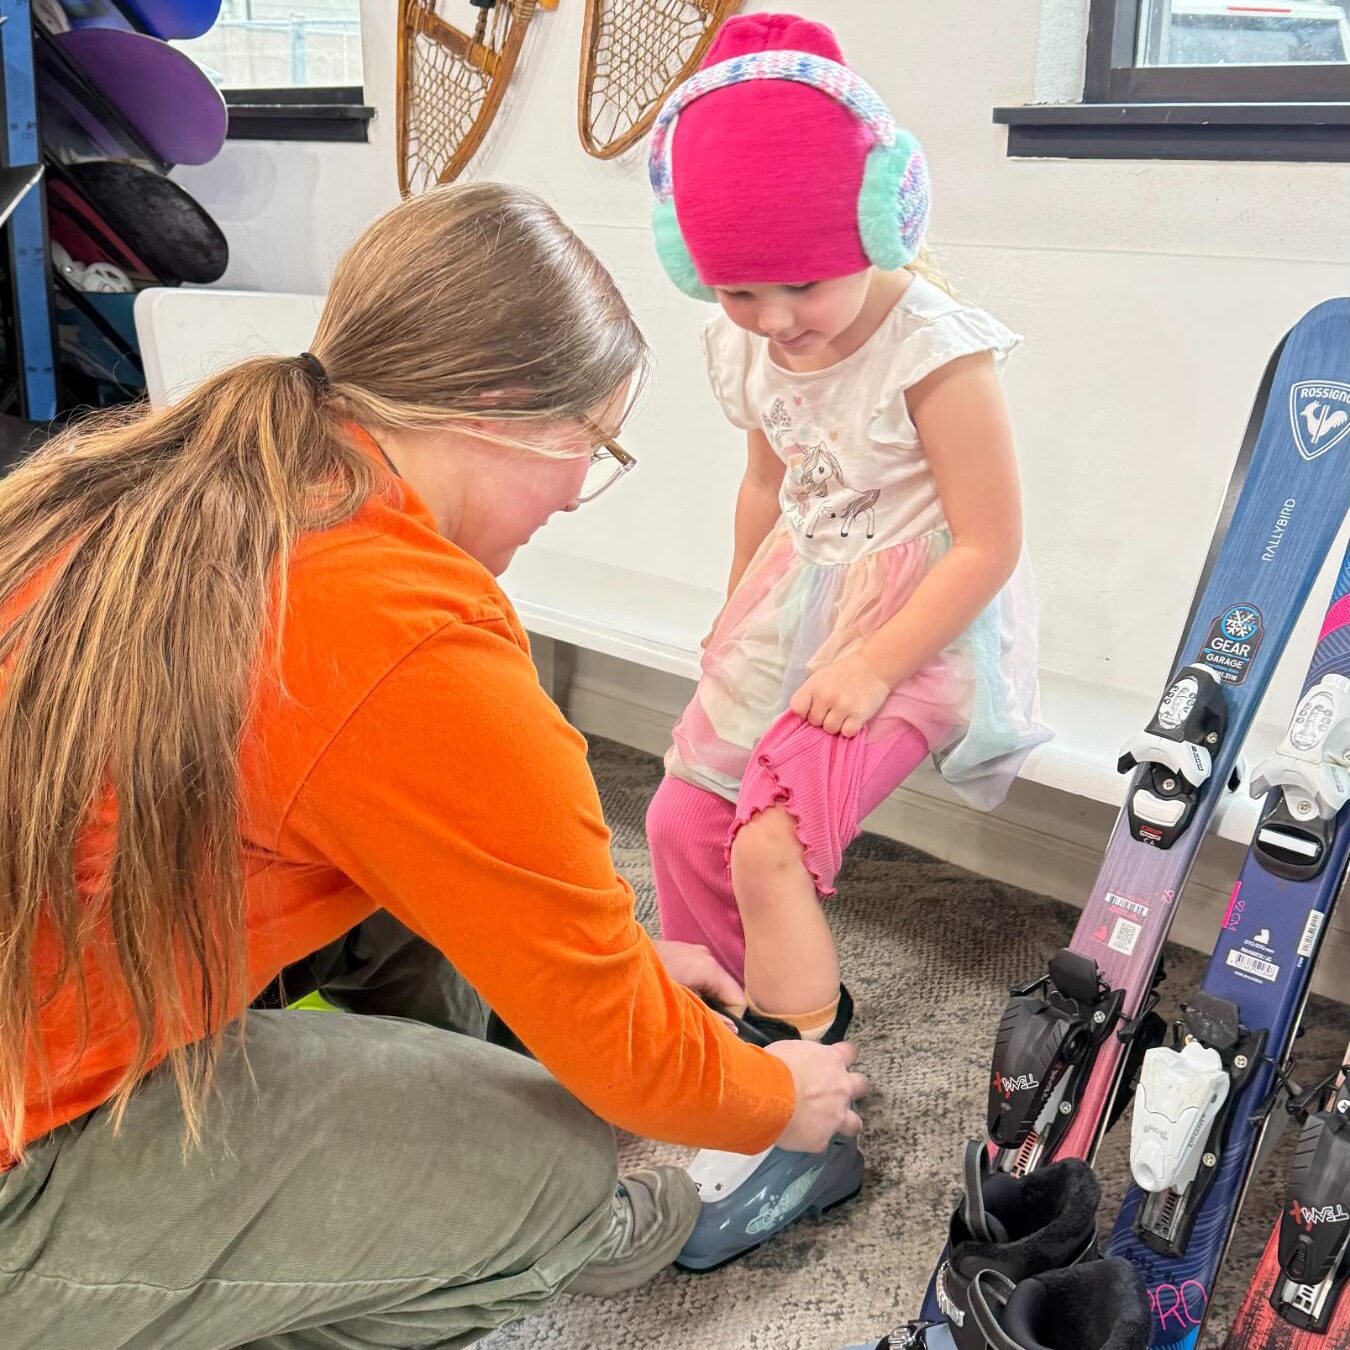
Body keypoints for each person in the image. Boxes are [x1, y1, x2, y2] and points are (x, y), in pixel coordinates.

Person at [0, 182, 866, 1349]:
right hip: (21, 1177)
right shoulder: (406, 639)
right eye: (592, 446)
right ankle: (515, 1231)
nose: (574, 490)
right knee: (554, 1163)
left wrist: (592, 955)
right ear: (504, 412)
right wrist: (777, 1100)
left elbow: (445, 849)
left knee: (419, 914)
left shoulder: (175, 481)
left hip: (42, 999)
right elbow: (628, 1065)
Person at [647, 10, 1048, 1050]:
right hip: (796, 599)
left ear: (883, 223)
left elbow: (988, 546)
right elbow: (763, 488)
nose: (777, 320)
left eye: (806, 286)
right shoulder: (741, 347)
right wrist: (732, 616)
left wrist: (871, 665)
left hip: (918, 625)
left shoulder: (937, 355)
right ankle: (719, 1032)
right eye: (740, 291)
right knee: (682, 819)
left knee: (767, 843)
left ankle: (799, 1090)